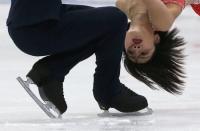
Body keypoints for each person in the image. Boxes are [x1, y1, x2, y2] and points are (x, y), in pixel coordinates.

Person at [7, 0, 149, 115]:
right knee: (116, 19)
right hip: (35, 27)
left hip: (36, 20)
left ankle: (51, 72)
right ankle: (108, 91)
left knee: (106, 25)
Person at [115, 0, 199, 94]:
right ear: (156, 39)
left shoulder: (122, 5)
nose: (136, 49)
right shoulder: (162, 23)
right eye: (144, 53)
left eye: (131, 53)